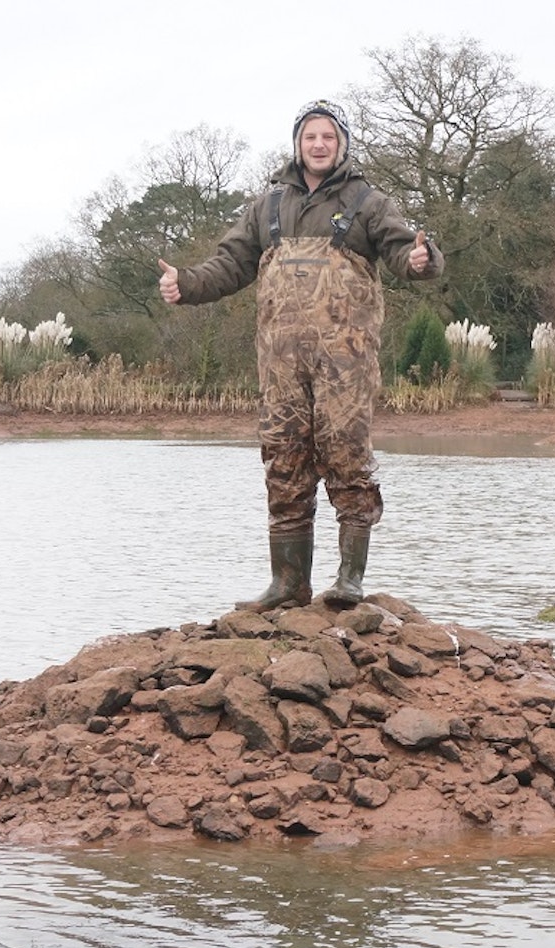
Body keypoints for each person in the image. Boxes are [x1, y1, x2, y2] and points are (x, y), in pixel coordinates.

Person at [157, 99, 443, 611]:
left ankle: (350, 579)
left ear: (342, 145)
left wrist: (423, 260)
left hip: (345, 363)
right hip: (280, 364)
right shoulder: (267, 207)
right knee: (283, 458)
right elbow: (229, 264)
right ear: (297, 144)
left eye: (328, 137)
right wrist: (187, 285)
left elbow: (405, 254)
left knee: (346, 454)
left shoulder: (368, 202)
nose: (318, 145)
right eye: (310, 136)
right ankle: (288, 584)